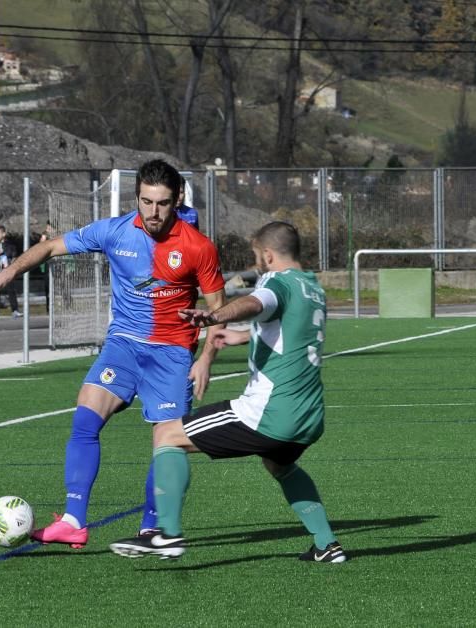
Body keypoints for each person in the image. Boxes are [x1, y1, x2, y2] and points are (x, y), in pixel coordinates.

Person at [0, 159, 226, 547]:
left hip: (172, 353)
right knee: (85, 418)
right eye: (146, 201)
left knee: (168, 442)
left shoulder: (198, 248)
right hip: (123, 345)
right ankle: (74, 520)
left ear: (178, 200)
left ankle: (153, 527)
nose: (153, 212)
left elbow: (218, 310)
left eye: (162, 203)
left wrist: (206, 357)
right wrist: (7, 274)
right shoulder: (114, 231)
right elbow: (52, 246)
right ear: (135, 196)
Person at [108, 221, 347, 563]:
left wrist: (213, 316)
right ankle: (327, 545)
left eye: (256, 257)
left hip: (269, 411)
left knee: (166, 433)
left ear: (267, 255)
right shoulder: (312, 287)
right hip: (308, 415)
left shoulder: (277, 283)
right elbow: (290, 330)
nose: (257, 264)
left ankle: (168, 535)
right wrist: (240, 335)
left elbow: (255, 302)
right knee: (279, 465)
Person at [0, 225, 22, 319]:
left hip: (7, 271)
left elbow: (15, 256)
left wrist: (11, 264)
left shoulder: (10, 245)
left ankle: (15, 310)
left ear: (3, 234)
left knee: (11, 290)